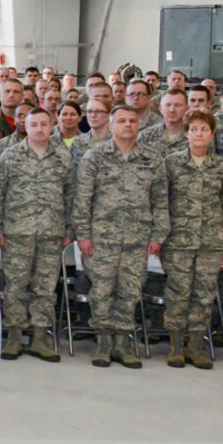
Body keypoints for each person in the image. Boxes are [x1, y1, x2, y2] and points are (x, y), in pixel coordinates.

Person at [68, 103, 168, 368]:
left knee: (130, 290)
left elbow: (160, 201)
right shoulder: (95, 156)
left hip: (137, 238)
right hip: (101, 238)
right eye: (121, 121)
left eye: (132, 121)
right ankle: (103, 341)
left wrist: (158, 235)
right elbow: (82, 199)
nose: (127, 125)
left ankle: (122, 343)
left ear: (139, 126)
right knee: (101, 290)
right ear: (110, 125)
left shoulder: (152, 159)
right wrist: (83, 234)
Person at [0, 107, 69, 362]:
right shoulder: (10, 156)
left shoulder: (63, 157)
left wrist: (70, 229)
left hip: (51, 231)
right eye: (34, 125)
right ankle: (13, 336)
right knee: (15, 286)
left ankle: (40, 338)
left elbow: (73, 194)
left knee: (45, 287)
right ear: (26, 126)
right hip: (17, 232)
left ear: (52, 124)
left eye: (45, 124)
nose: (40, 129)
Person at [162, 110, 223, 369]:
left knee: (203, 294)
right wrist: (160, 235)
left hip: (211, 240)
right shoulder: (171, 164)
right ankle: (175, 345)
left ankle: (195, 345)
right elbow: (162, 201)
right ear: (186, 133)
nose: (198, 134)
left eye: (204, 130)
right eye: (193, 129)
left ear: (212, 134)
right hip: (178, 241)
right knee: (178, 292)